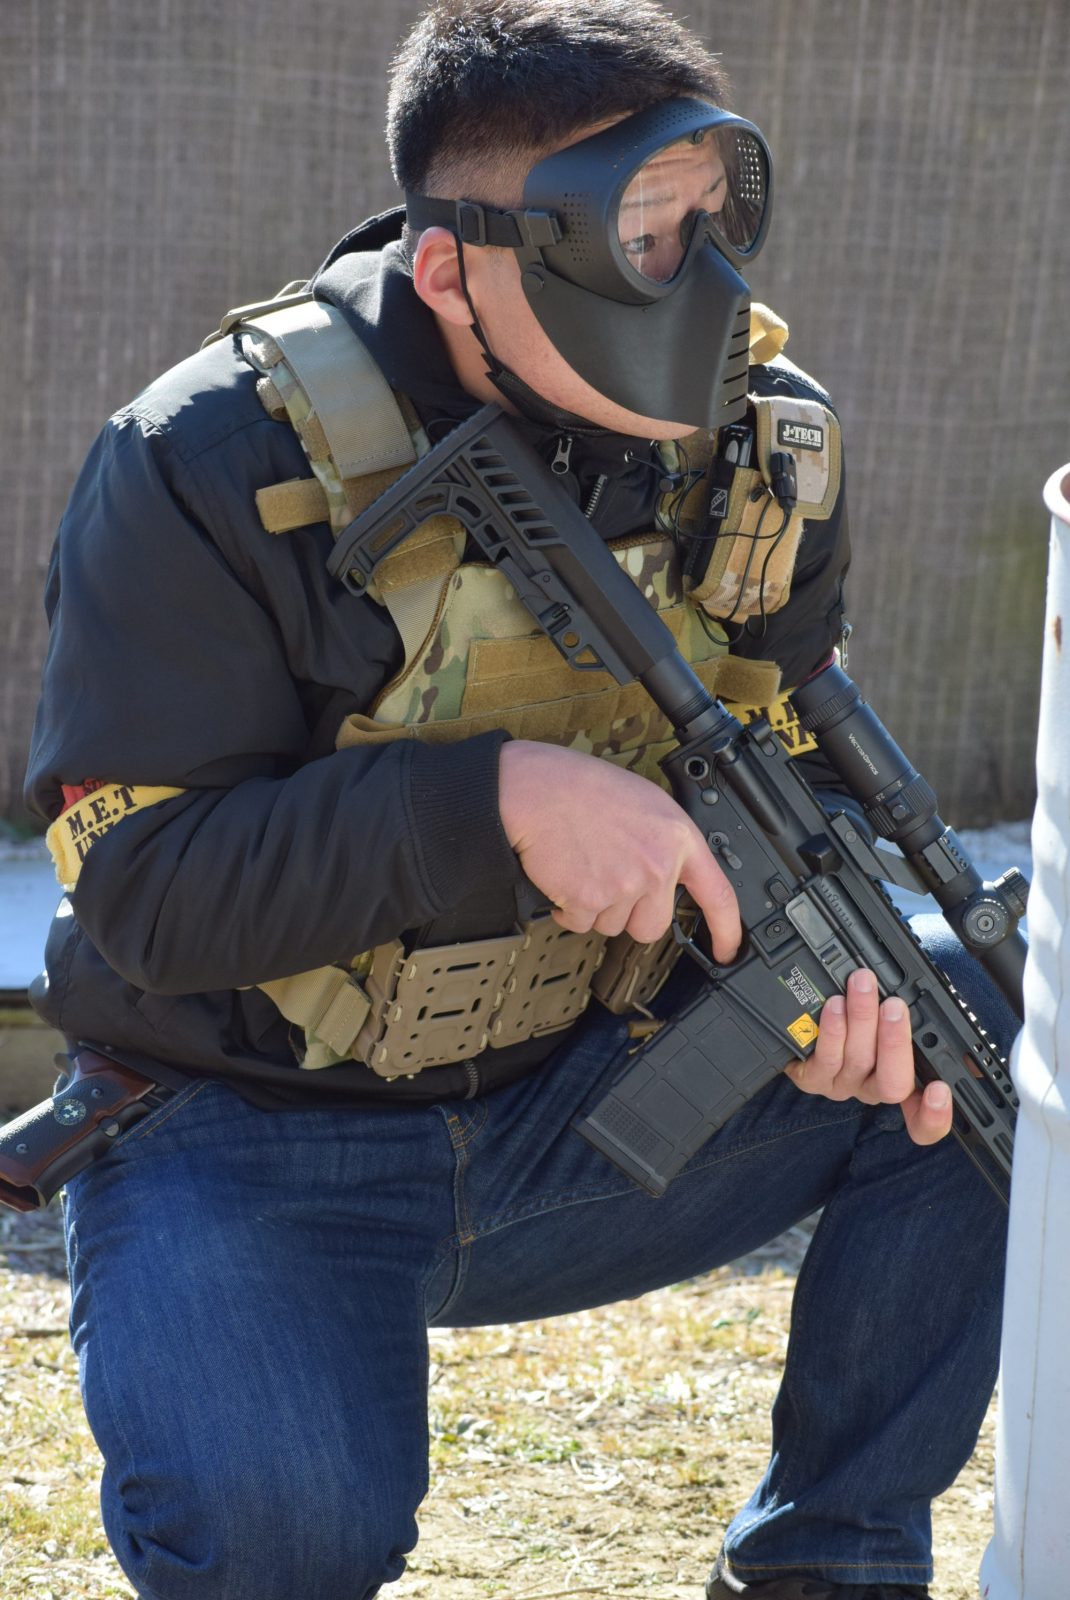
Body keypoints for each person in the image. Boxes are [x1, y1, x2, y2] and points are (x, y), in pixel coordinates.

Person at [24, 3, 1016, 1598]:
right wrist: (492, 801)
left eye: (712, 226)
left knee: (980, 1032)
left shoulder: (759, 450)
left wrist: (821, 977)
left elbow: (782, 753)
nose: (699, 289)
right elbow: (148, 896)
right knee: (281, 1539)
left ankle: (828, 1565)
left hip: (582, 1092)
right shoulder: (203, 458)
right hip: (250, 1130)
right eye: (640, 241)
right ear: (448, 268)